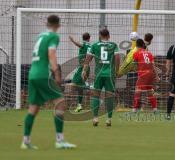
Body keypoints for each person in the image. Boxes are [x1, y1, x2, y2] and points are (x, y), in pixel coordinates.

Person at [21, 15, 76, 149]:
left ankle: (26, 141)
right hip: (42, 75)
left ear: (47, 23)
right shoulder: (54, 36)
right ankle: (60, 140)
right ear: (58, 25)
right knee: (61, 103)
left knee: (33, 108)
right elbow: (51, 54)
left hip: (32, 74)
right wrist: (56, 72)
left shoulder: (41, 36)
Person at [82, 28, 120, 127]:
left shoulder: (94, 45)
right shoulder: (114, 45)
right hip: (110, 74)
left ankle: (95, 118)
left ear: (100, 36)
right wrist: (117, 70)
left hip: (98, 74)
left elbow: (87, 59)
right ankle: (109, 119)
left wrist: (84, 70)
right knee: (109, 95)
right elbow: (117, 58)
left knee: (95, 95)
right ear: (109, 36)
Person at [132, 39, 159, 113]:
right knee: (149, 91)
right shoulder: (149, 53)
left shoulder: (136, 53)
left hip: (143, 74)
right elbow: (153, 65)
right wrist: (156, 76)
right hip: (150, 74)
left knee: (137, 91)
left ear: (136, 45)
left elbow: (134, 65)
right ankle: (155, 109)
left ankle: (134, 109)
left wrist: (135, 69)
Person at [69, 33, 91, 112]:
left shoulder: (84, 44)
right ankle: (79, 105)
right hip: (87, 67)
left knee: (73, 84)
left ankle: (89, 86)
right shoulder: (91, 46)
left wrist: (73, 40)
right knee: (79, 87)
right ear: (89, 38)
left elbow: (79, 44)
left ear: (83, 38)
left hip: (82, 68)